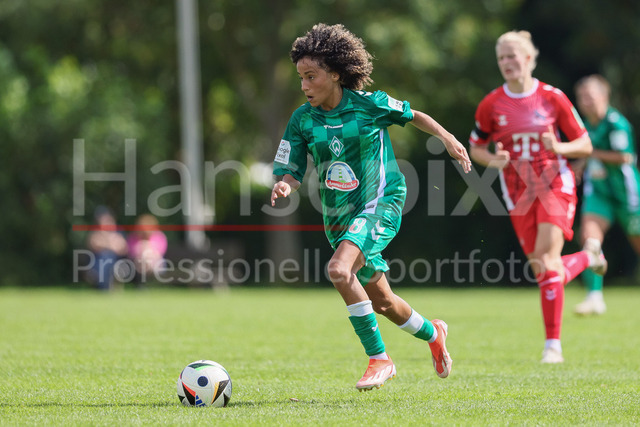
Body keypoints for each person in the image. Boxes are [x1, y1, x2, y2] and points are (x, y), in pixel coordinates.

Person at [271, 23, 472, 391]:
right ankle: (434, 333)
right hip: (338, 217)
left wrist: (446, 137)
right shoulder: (302, 119)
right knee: (383, 302)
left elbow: (414, 115)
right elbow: (292, 170)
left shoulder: (370, 104)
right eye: (300, 77)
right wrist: (285, 184)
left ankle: (380, 359)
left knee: (338, 269)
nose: (304, 85)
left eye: (311, 76)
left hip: (381, 201)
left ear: (335, 74)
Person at [468, 31, 606, 364]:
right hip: (517, 193)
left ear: (529, 59)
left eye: (512, 56)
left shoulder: (552, 97)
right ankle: (589, 256)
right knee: (545, 271)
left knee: (547, 261)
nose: (507, 62)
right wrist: (494, 160)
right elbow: (476, 148)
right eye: (501, 58)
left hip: (554, 184)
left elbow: (585, 144)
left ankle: (552, 347)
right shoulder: (491, 104)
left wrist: (559, 147)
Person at [573, 75, 640, 315]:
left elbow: (624, 156)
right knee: (589, 239)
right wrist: (580, 165)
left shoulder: (616, 123)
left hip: (626, 195)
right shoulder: (585, 126)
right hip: (599, 194)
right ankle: (594, 298)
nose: (585, 101)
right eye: (581, 97)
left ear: (604, 96)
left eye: (589, 96)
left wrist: (589, 154)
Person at [86, 206, 128, 291]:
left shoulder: (119, 232)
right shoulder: (95, 232)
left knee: (108, 256)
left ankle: (105, 286)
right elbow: (94, 245)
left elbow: (123, 248)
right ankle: (104, 286)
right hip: (97, 263)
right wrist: (111, 243)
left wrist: (105, 243)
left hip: (117, 262)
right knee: (105, 256)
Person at [127, 214, 168, 284]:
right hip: (137, 263)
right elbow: (130, 253)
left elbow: (159, 253)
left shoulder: (159, 236)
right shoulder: (134, 237)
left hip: (155, 263)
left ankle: (144, 281)